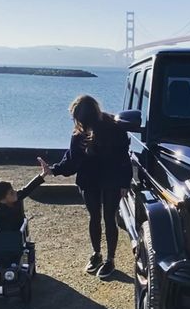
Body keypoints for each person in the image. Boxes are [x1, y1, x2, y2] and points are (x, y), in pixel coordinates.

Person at [38, 95, 132, 279]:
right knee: (106, 218)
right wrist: (125, 182)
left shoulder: (87, 132)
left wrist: (53, 170)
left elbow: (72, 163)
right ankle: (104, 258)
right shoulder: (113, 126)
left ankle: (103, 257)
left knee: (98, 217)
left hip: (100, 181)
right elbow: (123, 158)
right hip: (103, 181)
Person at [0, 162, 48, 231]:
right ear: (3, 200)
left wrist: (43, 174)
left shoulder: (17, 198)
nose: (15, 192)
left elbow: (28, 188)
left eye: (13, 190)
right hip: (4, 235)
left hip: (20, 231)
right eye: (11, 193)